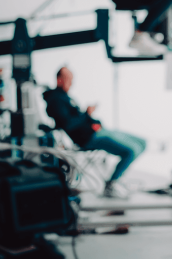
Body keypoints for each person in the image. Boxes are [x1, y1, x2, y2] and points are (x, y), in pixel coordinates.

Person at [43, 66, 146, 198]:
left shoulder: (65, 97)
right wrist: (87, 113)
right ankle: (113, 183)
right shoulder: (55, 100)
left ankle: (118, 179)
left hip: (98, 131)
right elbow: (68, 124)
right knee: (131, 150)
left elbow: (78, 119)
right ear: (59, 80)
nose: (71, 83)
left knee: (142, 143)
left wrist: (92, 120)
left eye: (72, 79)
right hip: (89, 139)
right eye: (68, 79)